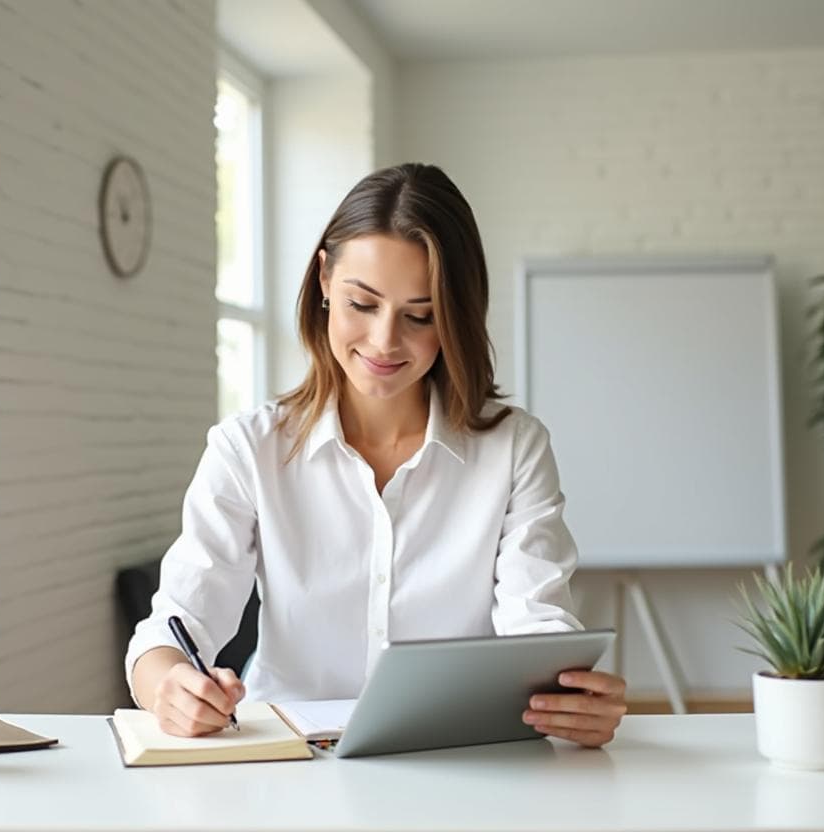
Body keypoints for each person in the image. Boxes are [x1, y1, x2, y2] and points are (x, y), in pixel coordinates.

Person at [127, 163, 627, 748]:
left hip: (454, 754)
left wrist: (569, 698)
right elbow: (172, 627)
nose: (386, 341)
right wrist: (170, 686)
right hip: (288, 759)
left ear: (456, 316)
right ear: (323, 281)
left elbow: (536, 621)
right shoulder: (248, 449)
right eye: (362, 304)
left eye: (421, 315)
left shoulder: (514, 448)